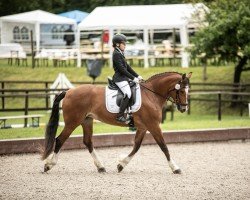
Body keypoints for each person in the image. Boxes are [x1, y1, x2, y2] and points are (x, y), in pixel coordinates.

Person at [112, 33, 143, 123]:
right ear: (117, 44)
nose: (125, 45)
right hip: (119, 78)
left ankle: (130, 112)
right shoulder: (116, 54)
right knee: (128, 93)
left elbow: (128, 67)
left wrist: (137, 76)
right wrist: (133, 78)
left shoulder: (120, 53)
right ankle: (120, 115)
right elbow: (122, 70)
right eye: (123, 44)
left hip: (124, 78)